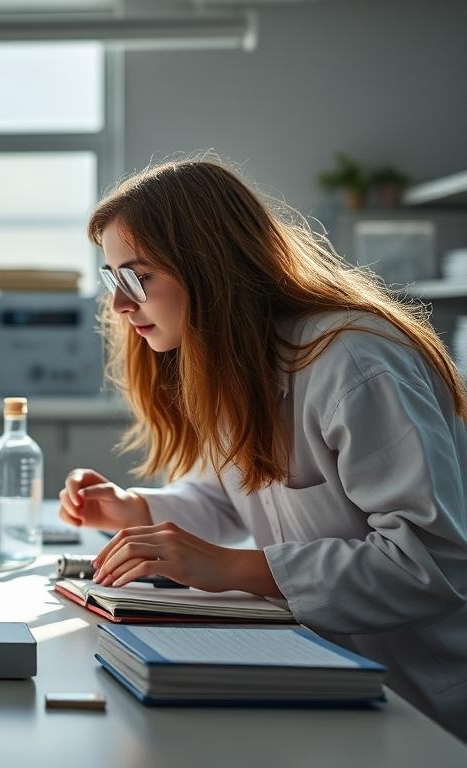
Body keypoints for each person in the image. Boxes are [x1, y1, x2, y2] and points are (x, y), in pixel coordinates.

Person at [58, 157, 467, 739]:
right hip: (328, 670)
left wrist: (233, 567)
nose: (121, 307)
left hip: (427, 700)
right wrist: (137, 510)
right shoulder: (235, 363)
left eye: (137, 277)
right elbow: (233, 496)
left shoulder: (354, 362)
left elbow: (430, 562)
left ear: (209, 264)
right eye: (112, 278)